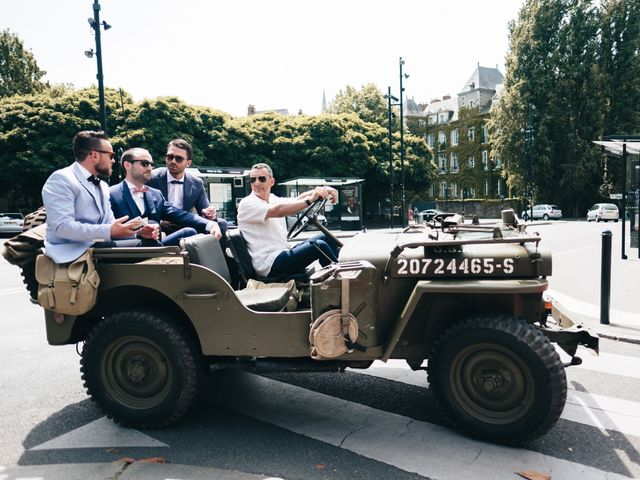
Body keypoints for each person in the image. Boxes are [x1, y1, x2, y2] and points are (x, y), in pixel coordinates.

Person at [41, 130, 146, 264]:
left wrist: (137, 232)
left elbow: (110, 225)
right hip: (71, 250)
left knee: (150, 241)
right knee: (150, 247)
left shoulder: (102, 185)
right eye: (111, 155)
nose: (113, 161)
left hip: (96, 245)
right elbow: (61, 227)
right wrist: (109, 230)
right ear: (95, 155)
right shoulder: (62, 179)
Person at [237, 163, 340, 278]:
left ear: (271, 181)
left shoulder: (272, 198)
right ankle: (342, 280)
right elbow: (278, 210)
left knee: (327, 236)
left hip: (282, 253)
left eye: (261, 179)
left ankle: (341, 274)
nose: (256, 183)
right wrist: (310, 200)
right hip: (269, 263)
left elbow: (296, 199)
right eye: (253, 179)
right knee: (319, 246)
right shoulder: (247, 203)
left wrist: (321, 190)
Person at [110, 148, 221, 246]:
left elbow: (181, 215)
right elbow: (105, 233)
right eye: (144, 163)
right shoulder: (111, 194)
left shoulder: (156, 194)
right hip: (128, 252)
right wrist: (137, 234)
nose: (149, 168)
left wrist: (210, 224)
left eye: (151, 164)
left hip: (157, 249)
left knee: (190, 233)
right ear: (127, 165)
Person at [147, 139, 227, 246]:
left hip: (184, 223)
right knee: (189, 231)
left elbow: (205, 210)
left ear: (188, 163)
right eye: (170, 157)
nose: (173, 161)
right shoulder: (151, 178)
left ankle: (216, 261)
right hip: (160, 226)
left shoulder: (196, 183)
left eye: (178, 159)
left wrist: (210, 214)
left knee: (221, 224)